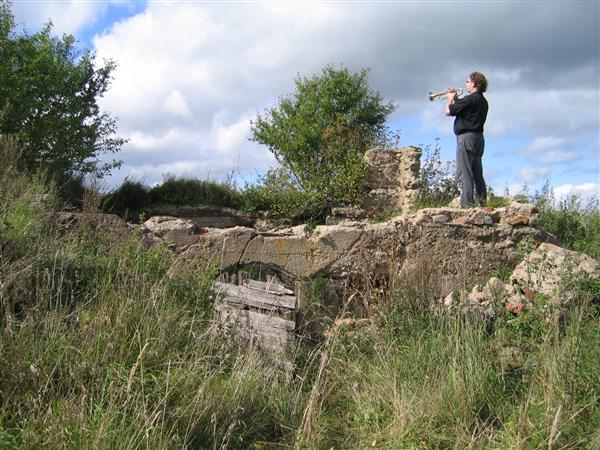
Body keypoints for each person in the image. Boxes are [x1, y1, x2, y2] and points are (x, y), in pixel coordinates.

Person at [445, 72, 488, 208]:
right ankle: (482, 202)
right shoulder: (482, 101)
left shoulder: (470, 99)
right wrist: (458, 99)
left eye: (468, 81)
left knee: (466, 172)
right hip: (478, 138)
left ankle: (467, 205)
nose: (466, 84)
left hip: (466, 137)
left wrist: (449, 99)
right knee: (477, 173)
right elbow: (465, 110)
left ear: (474, 83)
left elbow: (448, 112)